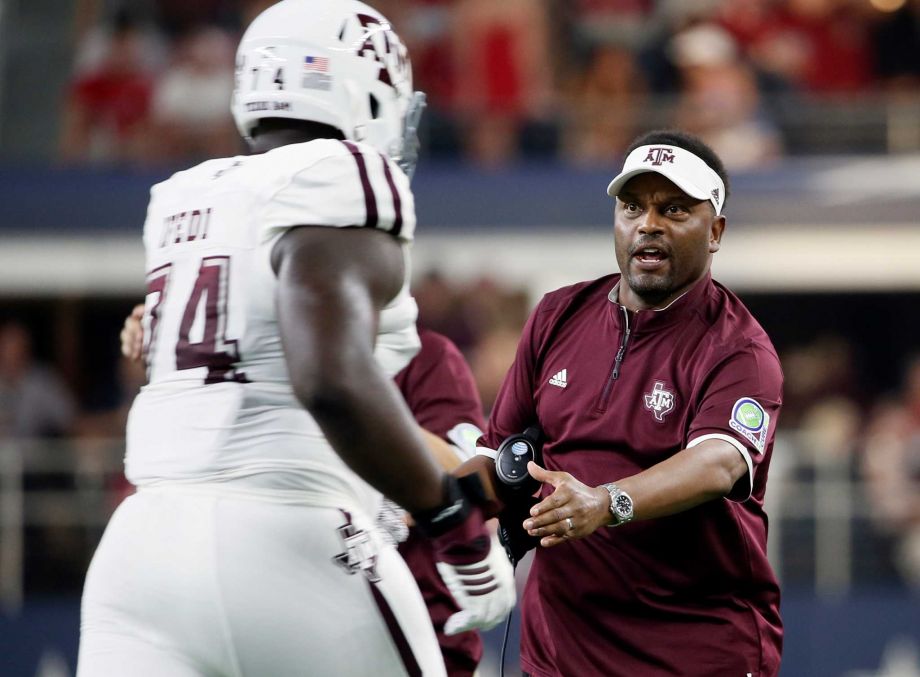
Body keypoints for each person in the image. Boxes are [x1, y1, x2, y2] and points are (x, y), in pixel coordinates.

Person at [77, 2, 514, 676]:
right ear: (363, 88)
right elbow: (331, 380)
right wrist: (450, 519)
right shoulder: (342, 176)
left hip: (139, 553)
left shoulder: (185, 196)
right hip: (289, 530)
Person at [463, 129, 784, 676]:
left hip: (693, 652)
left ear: (716, 232)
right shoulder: (558, 315)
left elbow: (716, 463)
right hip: (562, 651)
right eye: (633, 206)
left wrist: (606, 502)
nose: (648, 224)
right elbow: (501, 459)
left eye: (674, 209)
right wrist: (435, 504)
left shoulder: (738, 349)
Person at [120, 309, 490, 675]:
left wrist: (359, 401)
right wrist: (168, 331)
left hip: (415, 620)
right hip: (283, 612)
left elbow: (470, 476)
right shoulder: (257, 356)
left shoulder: (425, 355)